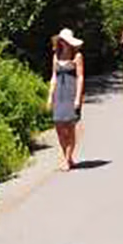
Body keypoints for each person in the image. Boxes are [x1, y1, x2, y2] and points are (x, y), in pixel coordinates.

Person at [47, 27, 85, 171]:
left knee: (70, 127)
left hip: (71, 92)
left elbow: (80, 77)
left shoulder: (77, 56)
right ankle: (67, 157)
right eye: (63, 41)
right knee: (59, 126)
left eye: (67, 41)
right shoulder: (56, 56)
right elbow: (53, 77)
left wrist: (78, 98)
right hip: (59, 94)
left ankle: (67, 158)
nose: (65, 43)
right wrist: (50, 96)